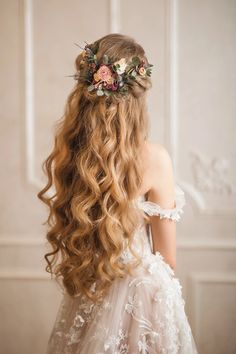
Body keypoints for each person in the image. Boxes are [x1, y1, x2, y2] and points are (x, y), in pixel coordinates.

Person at [38, 33, 198, 354]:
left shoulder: (71, 154)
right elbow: (168, 260)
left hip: (91, 288)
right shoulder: (155, 158)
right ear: (138, 100)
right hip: (143, 296)